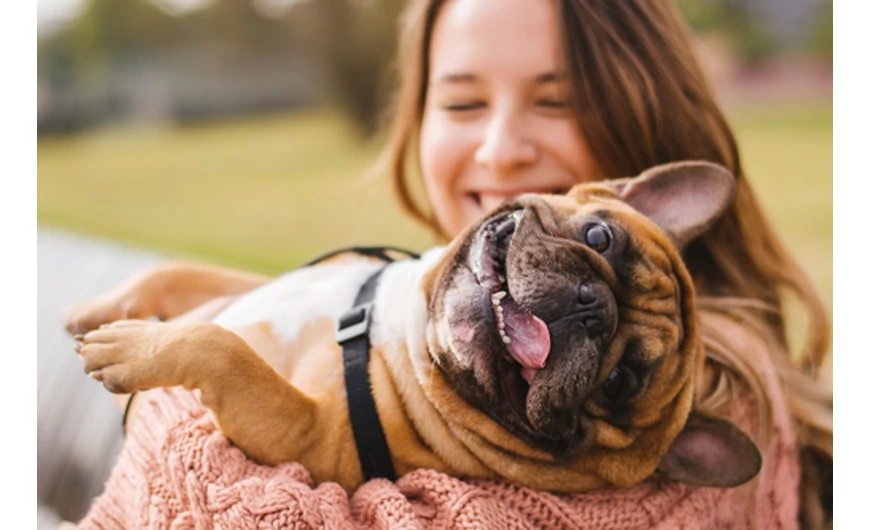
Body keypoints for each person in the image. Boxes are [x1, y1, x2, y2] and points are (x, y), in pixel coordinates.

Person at [77, 0, 833, 528]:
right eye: (464, 103)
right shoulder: (436, 301)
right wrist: (186, 291)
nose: (501, 148)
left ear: (646, 116)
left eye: (554, 101)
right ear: (411, 119)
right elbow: (305, 313)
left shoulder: (717, 401)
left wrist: (160, 393)